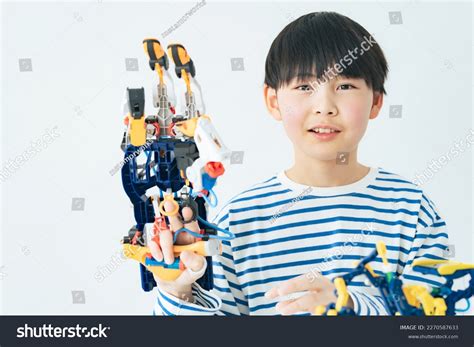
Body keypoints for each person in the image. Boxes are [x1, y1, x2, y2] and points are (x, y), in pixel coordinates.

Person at [150, 11, 449, 316]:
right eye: (305, 87)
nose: (325, 107)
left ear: (375, 101)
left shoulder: (412, 212)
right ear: (273, 101)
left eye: (345, 86)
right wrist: (177, 293)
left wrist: (350, 306)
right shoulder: (237, 223)